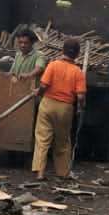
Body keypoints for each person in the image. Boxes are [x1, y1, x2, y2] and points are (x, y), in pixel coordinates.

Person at [32, 38, 87, 179]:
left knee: (42, 139)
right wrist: (81, 107)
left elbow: (44, 85)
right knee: (62, 142)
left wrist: (38, 93)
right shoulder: (78, 72)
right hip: (65, 108)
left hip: (47, 104)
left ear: (62, 50)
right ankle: (63, 173)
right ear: (77, 54)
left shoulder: (53, 65)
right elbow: (80, 97)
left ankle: (40, 173)